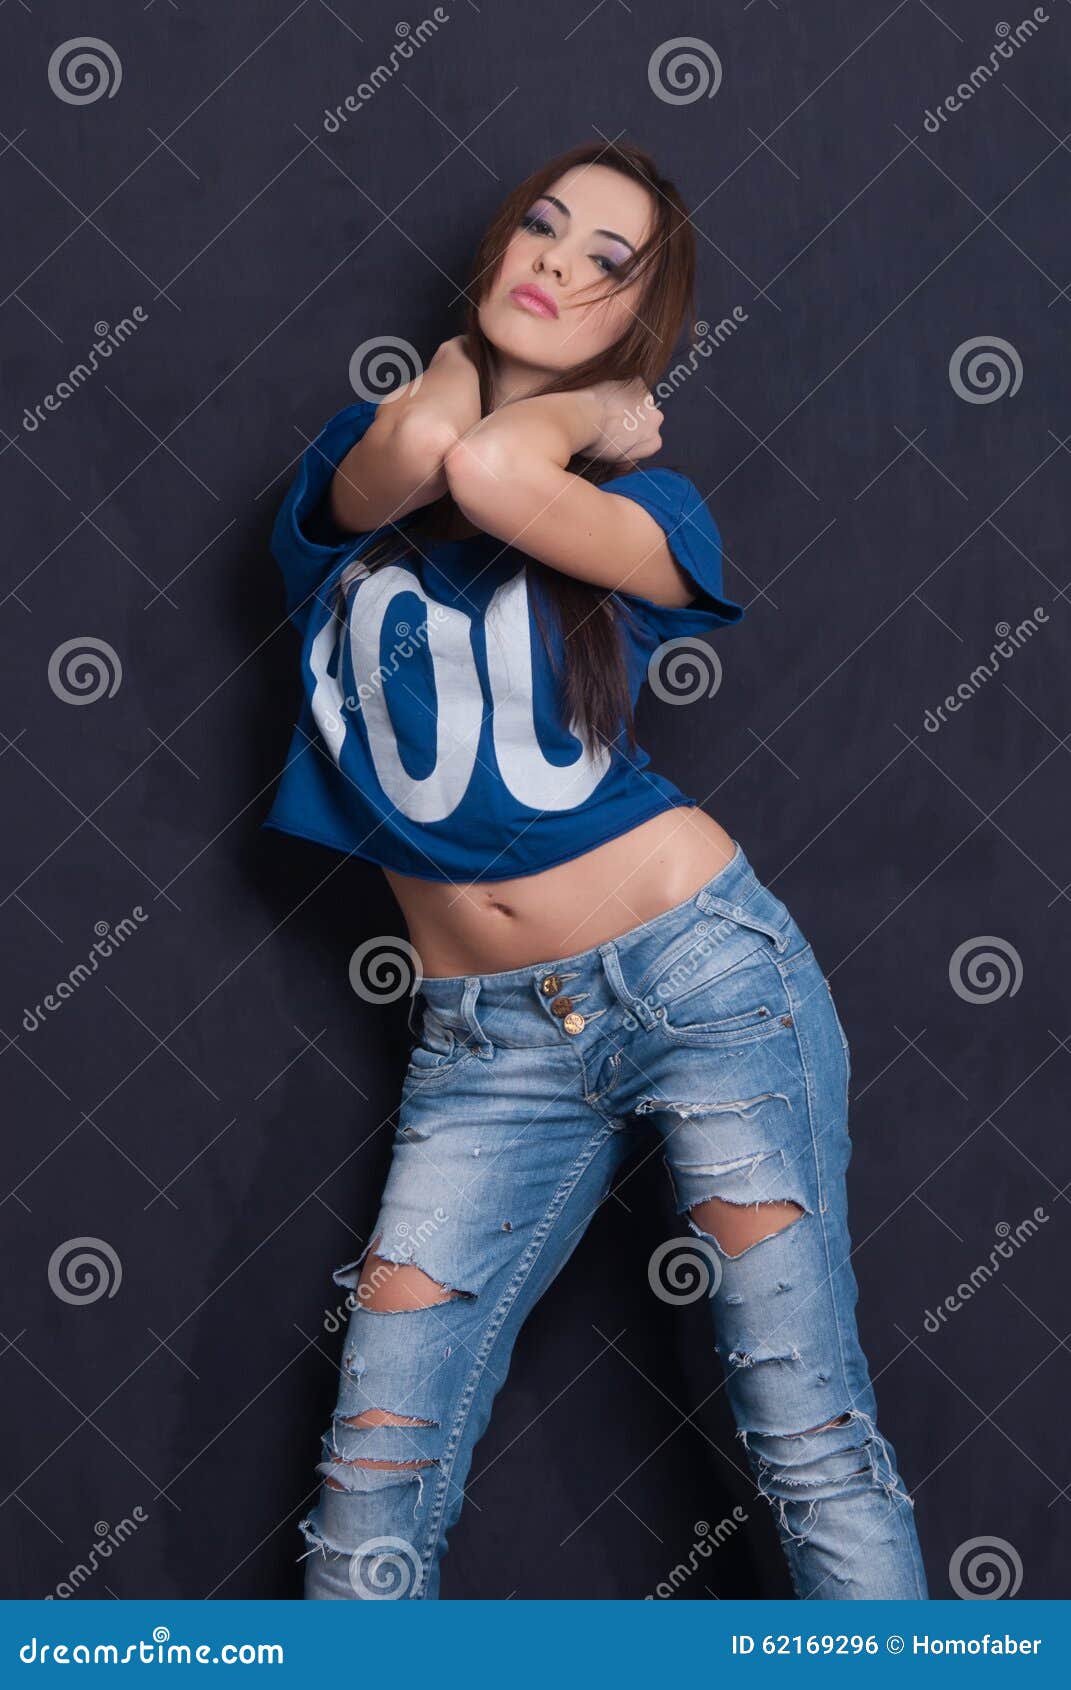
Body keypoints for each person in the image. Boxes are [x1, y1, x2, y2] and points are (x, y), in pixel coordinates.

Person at [262, 140, 928, 1601]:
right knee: (369, 1480)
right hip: (483, 1043)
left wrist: (581, 414)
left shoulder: (657, 515)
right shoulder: (342, 490)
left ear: (642, 320)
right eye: (541, 228)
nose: (556, 261)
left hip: (702, 980)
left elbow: (498, 470)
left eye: (605, 261)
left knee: (808, 1437)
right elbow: (436, 447)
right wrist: (511, 374)